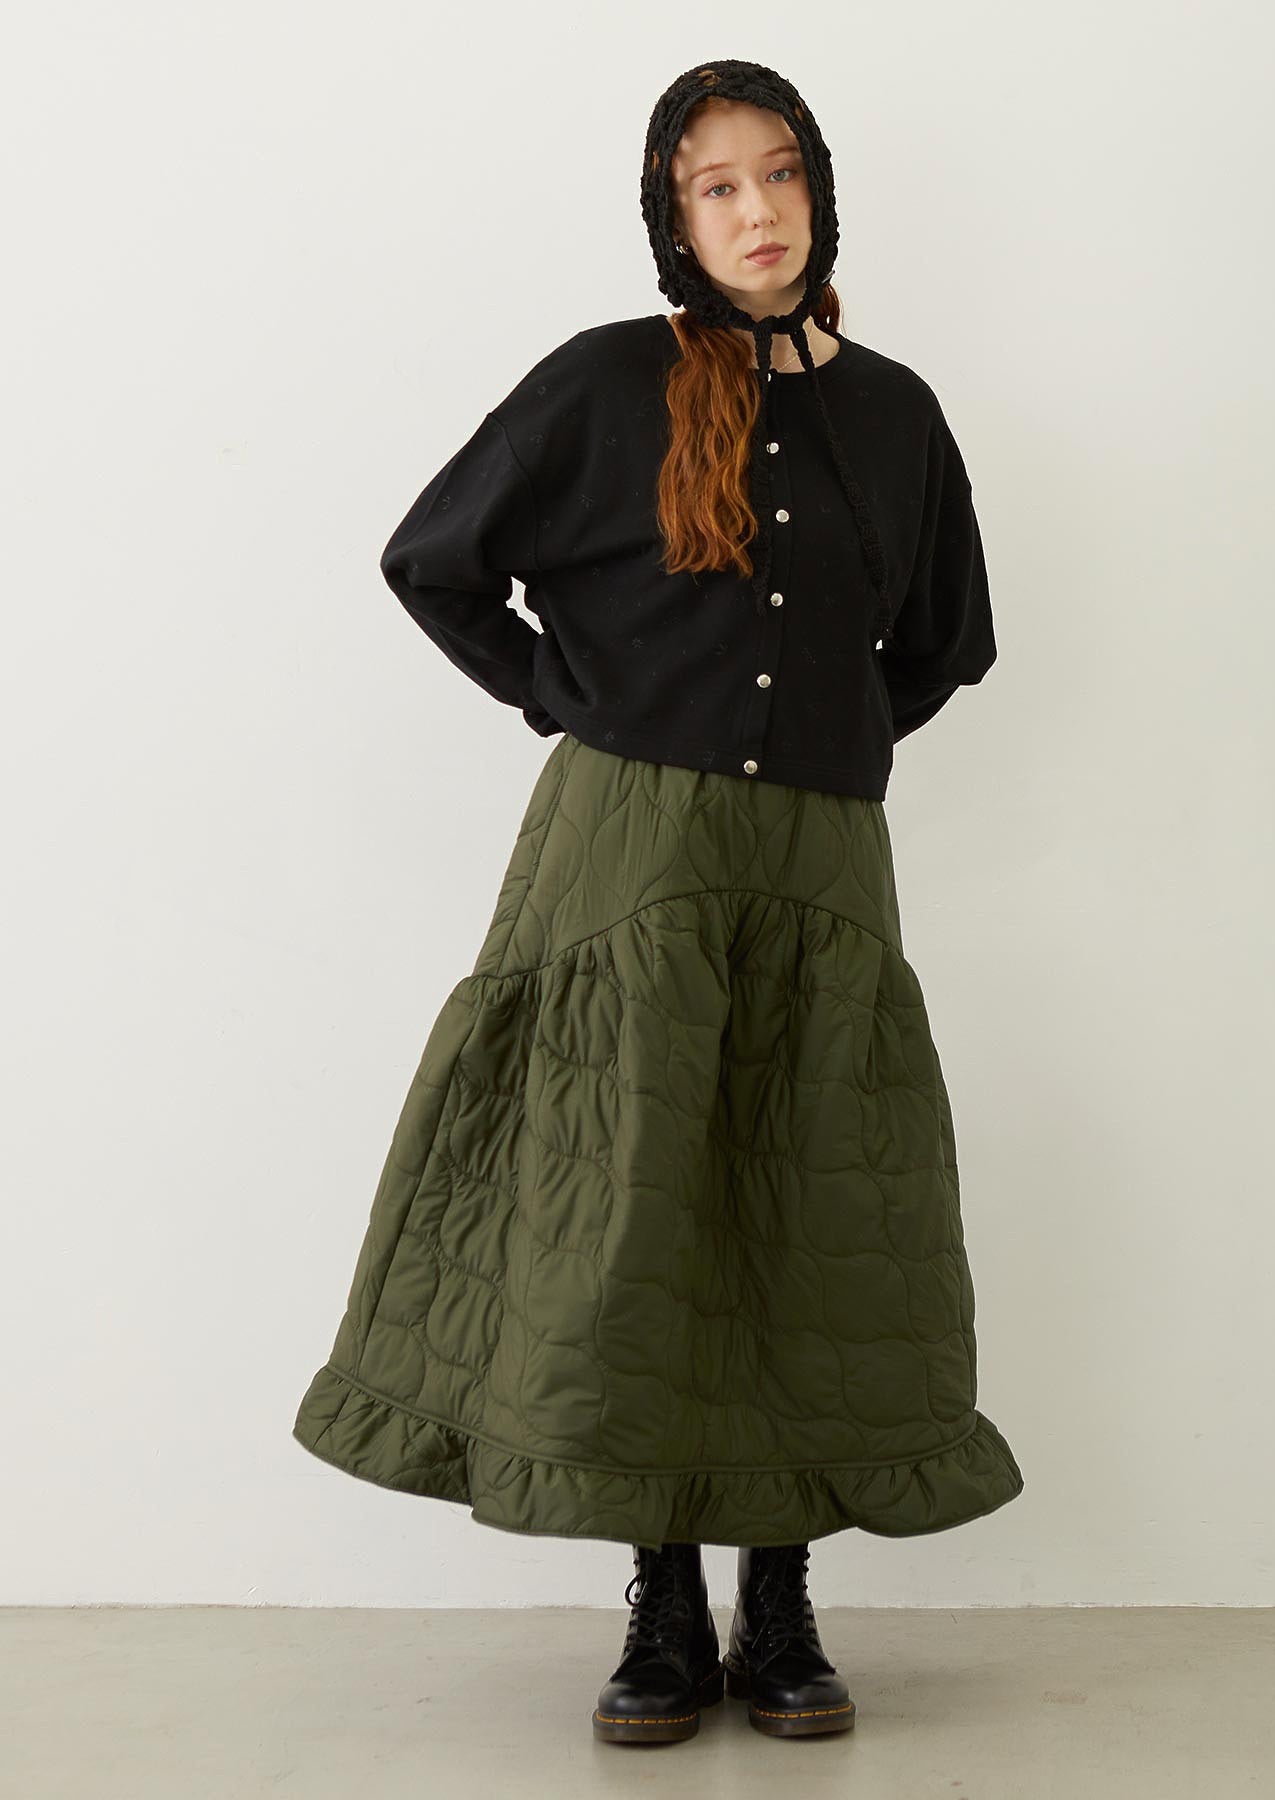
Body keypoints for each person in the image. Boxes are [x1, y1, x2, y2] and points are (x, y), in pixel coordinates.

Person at [291, 57, 1024, 1747]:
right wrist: (574, 695)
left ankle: (784, 1601)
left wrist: (827, 738)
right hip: (631, 853)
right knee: (639, 1205)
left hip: (821, 868)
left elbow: (945, 644)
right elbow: (433, 561)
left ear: (820, 190)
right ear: (671, 216)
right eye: (717, 185)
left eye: (781, 174)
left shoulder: (898, 414)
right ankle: (665, 1603)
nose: (758, 211)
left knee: (802, 1203)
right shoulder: (607, 385)